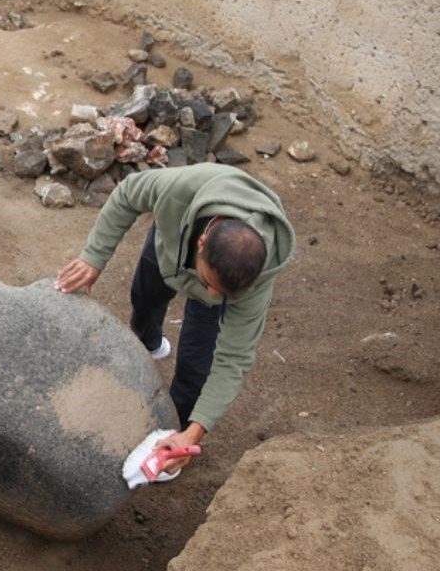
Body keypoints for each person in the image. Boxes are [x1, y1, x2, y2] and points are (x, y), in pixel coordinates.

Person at [55, 160, 294, 478]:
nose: (210, 295)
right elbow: (127, 193)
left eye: (221, 293)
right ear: (201, 243)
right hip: (170, 242)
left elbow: (233, 360)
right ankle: (149, 344)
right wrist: (94, 256)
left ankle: (170, 436)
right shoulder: (179, 189)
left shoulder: (253, 281)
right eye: (208, 283)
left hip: (204, 263)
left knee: (196, 365)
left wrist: (195, 432)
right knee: (145, 300)